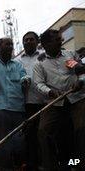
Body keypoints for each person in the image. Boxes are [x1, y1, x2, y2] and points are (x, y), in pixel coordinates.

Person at [33, 29, 85, 170]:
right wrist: (50, 92)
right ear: (45, 44)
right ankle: (52, 166)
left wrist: (81, 81)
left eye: (60, 39)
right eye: (57, 40)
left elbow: (81, 71)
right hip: (55, 103)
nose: (61, 41)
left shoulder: (70, 55)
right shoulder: (40, 64)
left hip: (77, 99)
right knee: (43, 131)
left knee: (81, 129)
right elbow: (39, 84)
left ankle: (79, 164)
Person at [0, 38, 29, 169]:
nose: (10, 46)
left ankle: (20, 165)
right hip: (0, 109)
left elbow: (24, 76)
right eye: (7, 44)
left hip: (17, 108)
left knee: (19, 140)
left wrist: (26, 80)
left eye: (11, 44)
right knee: (3, 141)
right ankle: (5, 167)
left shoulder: (18, 64)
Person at [14, 31, 44, 170]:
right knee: (31, 136)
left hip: (47, 102)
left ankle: (52, 162)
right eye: (25, 40)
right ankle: (33, 165)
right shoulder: (18, 61)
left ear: (37, 41)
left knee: (46, 134)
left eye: (31, 39)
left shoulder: (44, 56)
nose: (28, 42)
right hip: (28, 103)